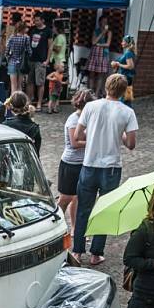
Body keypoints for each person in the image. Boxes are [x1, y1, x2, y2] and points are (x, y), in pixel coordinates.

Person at [71, 74, 138, 265]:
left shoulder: (91, 107)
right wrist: (119, 135)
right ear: (124, 91)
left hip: (89, 165)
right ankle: (96, 253)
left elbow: (77, 134)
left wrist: (93, 135)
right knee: (105, 210)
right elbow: (131, 144)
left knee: (83, 209)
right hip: (111, 168)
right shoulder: (127, 112)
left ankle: (77, 251)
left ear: (106, 87)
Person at [58, 89, 95, 234]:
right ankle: (57, 226)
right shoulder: (74, 120)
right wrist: (94, 141)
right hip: (70, 164)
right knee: (65, 198)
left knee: (78, 198)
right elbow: (74, 143)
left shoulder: (88, 119)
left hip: (83, 163)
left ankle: (75, 228)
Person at [26, 12, 52, 111]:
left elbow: (50, 46)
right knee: (30, 82)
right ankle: (29, 102)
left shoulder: (48, 31)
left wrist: (47, 60)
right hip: (31, 59)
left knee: (40, 83)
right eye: (35, 20)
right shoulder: (32, 29)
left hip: (41, 60)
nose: (35, 22)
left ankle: (39, 103)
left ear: (42, 20)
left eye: (37, 20)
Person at [86, 14, 112, 97]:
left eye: (106, 22)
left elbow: (107, 44)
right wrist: (102, 33)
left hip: (103, 54)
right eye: (103, 21)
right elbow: (93, 42)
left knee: (101, 75)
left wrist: (99, 44)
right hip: (95, 53)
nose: (104, 23)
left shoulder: (109, 32)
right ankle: (90, 93)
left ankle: (96, 94)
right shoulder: (96, 31)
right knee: (92, 74)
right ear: (100, 22)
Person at [110, 35, 136, 106]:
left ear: (127, 43)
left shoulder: (128, 53)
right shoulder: (127, 52)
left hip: (126, 78)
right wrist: (115, 64)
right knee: (126, 98)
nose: (121, 43)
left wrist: (118, 64)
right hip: (125, 77)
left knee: (124, 98)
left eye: (123, 41)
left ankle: (125, 112)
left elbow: (130, 66)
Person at [5, 21, 31, 95]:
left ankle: (13, 103)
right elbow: (29, 51)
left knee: (13, 85)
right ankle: (19, 103)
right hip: (22, 63)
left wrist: (8, 59)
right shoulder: (26, 38)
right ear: (23, 28)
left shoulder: (12, 37)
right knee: (19, 85)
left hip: (12, 62)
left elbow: (6, 51)